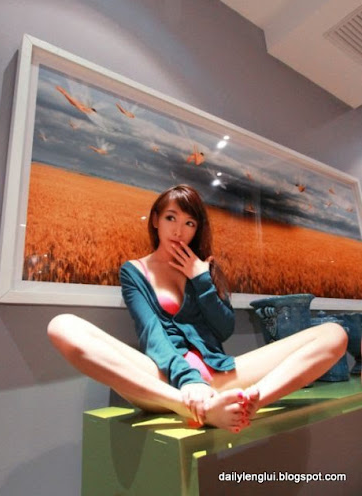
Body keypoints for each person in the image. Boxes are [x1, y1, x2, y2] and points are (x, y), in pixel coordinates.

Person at [47, 184, 348, 433]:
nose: (179, 230)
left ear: (196, 229)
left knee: (334, 334)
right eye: (171, 218)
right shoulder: (134, 271)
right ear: (155, 220)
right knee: (62, 325)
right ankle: (192, 407)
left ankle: (250, 403)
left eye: (189, 223)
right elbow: (151, 332)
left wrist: (201, 279)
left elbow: (224, 330)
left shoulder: (204, 268)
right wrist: (189, 383)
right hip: (164, 380)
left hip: (219, 373)